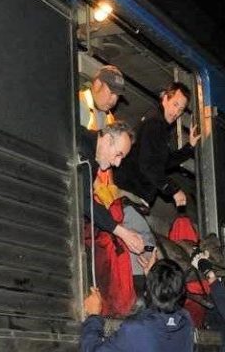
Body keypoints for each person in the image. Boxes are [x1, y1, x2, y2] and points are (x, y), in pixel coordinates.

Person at [115, 81, 201, 290]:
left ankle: (132, 289)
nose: (177, 112)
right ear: (165, 98)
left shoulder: (159, 128)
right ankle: (136, 294)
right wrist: (173, 190)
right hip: (129, 195)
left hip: (133, 197)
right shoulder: (155, 124)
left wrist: (189, 148)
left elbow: (164, 162)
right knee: (145, 246)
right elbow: (148, 167)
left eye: (181, 109)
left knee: (139, 246)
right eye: (175, 105)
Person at [78, 121, 146, 316]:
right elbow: (83, 199)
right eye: (118, 155)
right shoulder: (84, 151)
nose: (117, 163)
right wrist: (122, 232)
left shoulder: (88, 151)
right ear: (107, 139)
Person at [78, 64, 125, 131]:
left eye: (117, 96)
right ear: (97, 84)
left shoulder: (109, 120)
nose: (113, 100)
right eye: (112, 93)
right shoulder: (78, 105)